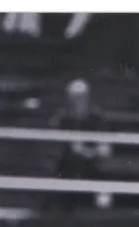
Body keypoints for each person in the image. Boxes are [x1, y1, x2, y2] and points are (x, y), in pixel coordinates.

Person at [47, 79, 109, 211]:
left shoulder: (97, 117)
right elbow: (65, 149)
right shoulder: (61, 118)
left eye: (81, 97)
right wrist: (83, 151)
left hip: (93, 170)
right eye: (74, 97)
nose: (78, 101)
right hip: (66, 170)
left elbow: (105, 149)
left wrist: (87, 151)